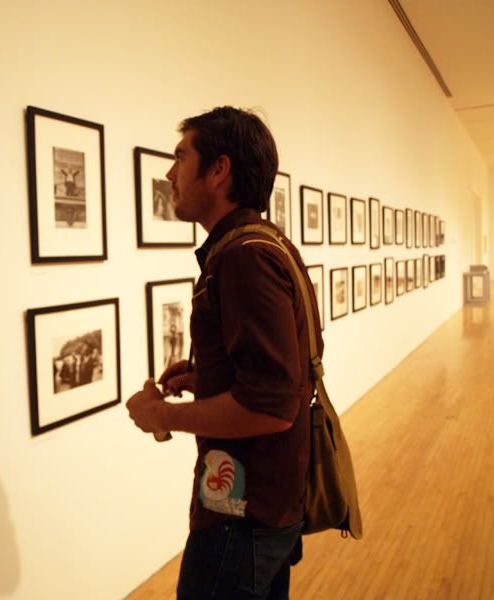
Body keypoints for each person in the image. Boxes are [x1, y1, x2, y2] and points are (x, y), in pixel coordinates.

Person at [126, 106, 323, 599]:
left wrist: (160, 413)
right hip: (263, 502)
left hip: (242, 513)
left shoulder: (243, 257)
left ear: (219, 170)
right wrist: (205, 375)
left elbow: (271, 407)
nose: (170, 174)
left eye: (180, 157)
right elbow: (278, 369)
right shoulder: (263, 242)